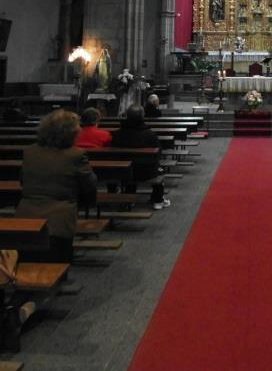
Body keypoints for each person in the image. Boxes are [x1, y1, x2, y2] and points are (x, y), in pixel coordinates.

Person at [16, 110, 97, 263]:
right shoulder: (76, 155)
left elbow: (22, 180)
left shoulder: (30, 151)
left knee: (27, 260)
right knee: (56, 262)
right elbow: (89, 184)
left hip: (27, 212)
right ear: (72, 133)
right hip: (59, 218)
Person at [112, 105, 169, 209]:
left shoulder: (117, 134)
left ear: (127, 117)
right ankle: (157, 199)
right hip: (146, 172)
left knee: (130, 165)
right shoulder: (150, 134)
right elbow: (158, 153)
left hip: (122, 170)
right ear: (143, 117)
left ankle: (129, 197)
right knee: (158, 168)